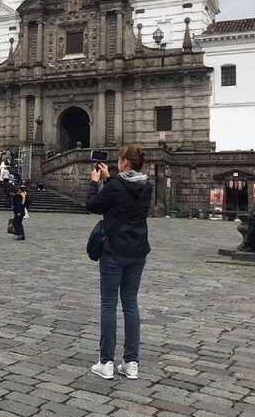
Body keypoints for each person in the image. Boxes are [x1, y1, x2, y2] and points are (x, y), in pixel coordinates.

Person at [86, 145, 153, 381]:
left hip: (114, 251)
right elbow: (123, 197)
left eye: (118, 159)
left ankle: (106, 363)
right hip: (138, 252)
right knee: (131, 305)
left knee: (108, 305)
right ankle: (131, 363)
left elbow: (93, 205)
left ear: (125, 162)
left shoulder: (115, 186)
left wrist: (95, 181)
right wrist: (109, 178)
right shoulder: (147, 185)